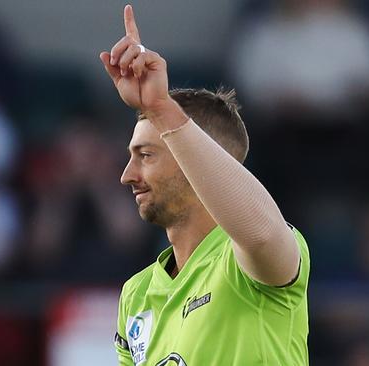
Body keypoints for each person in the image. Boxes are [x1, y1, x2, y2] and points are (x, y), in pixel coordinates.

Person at [99, 5, 310, 365]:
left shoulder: (247, 258)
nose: (127, 174)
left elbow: (259, 234)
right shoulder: (137, 294)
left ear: (194, 161)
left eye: (146, 155)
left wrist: (163, 109)